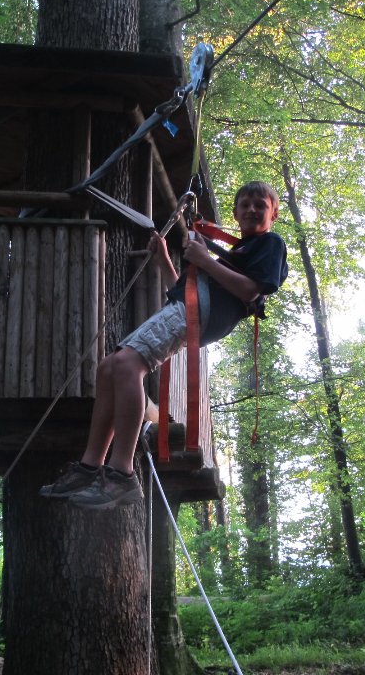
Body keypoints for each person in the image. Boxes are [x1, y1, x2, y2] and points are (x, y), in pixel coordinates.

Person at [40, 180, 288, 510]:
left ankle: (122, 473)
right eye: (246, 204)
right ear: (236, 212)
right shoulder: (235, 253)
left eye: (261, 205)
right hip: (189, 307)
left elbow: (250, 291)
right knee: (109, 367)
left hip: (200, 313)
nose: (252, 210)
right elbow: (182, 289)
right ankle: (90, 466)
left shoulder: (270, 244)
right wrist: (164, 261)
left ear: (274, 214)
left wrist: (205, 260)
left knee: (127, 365)